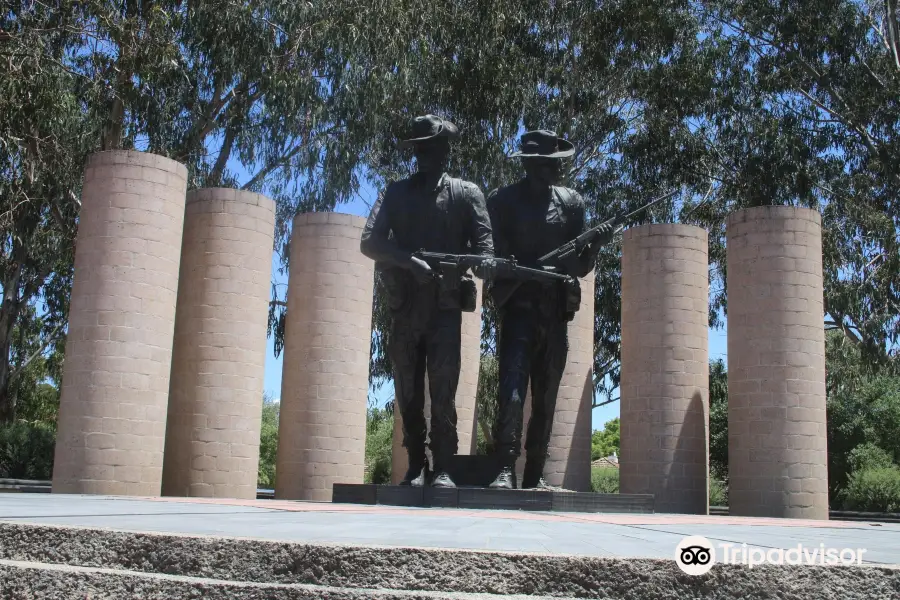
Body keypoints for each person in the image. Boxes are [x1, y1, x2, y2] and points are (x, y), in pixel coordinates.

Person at [360, 115, 494, 488]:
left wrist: (484, 264)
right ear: (418, 152)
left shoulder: (467, 194)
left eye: (441, 147)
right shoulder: (395, 193)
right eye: (428, 148)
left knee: (443, 388)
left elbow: (486, 252)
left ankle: (445, 467)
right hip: (405, 307)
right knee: (407, 389)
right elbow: (369, 241)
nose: (436, 154)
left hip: (446, 307)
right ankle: (417, 464)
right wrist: (407, 260)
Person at [486, 130, 612, 490]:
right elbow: (491, 256)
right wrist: (512, 268)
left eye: (556, 165)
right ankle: (504, 468)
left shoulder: (571, 203)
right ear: (529, 164)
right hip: (519, 310)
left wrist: (596, 246)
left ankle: (534, 473)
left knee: (546, 397)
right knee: (511, 391)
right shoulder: (503, 201)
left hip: (554, 311)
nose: (554, 171)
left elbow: (579, 266)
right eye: (546, 165)